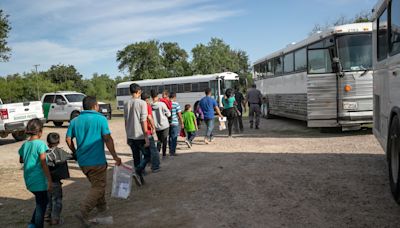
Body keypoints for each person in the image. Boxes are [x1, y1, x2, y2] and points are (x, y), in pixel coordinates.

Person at [66, 96, 122, 226]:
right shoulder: (100, 119)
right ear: (95, 106)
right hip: (97, 161)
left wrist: (75, 152)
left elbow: (68, 139)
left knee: (97, 184)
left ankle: (102, 207)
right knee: (99, 186)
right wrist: (115, 156)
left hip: (83, 161)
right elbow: (107, 139)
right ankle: (83, 211)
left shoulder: (75, 121)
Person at [19, 118, 52, 228]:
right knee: (41, 204)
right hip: (39, 180)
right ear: (40, 131)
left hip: (29, 179)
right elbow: (43, 163)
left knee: (41, 202)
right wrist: (49, 180)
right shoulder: (40, 144)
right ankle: (36, 225)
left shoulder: (25, 144)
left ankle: (32, 224)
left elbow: (21, 159)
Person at [45, 132, 74, 225]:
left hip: (45, 181)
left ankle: (46, 216)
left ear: (47, 142)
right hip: (56, 182)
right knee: (57, 200)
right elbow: (72, 156)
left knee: (48, 200)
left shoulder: (44, 153)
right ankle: (55, 219)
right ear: (58, 142)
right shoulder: (60, 152)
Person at [141, 93, 160, 172]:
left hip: (139, 133)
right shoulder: (146, 105)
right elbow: (149, 117)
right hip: (147, 131)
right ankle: (155, 167)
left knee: (143, 151)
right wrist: (153, 127)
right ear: (147, 99)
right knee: (154, 150)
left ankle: (142, 170)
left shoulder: (138, 105)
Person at [151, 90, 171, 158]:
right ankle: (164, 155)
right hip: (165, 125)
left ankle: (157, 153)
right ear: (157, 96)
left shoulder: (150, 105)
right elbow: (168, 114)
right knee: (164, 140)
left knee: (159, 141)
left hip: (156, 126)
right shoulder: (162, 104)